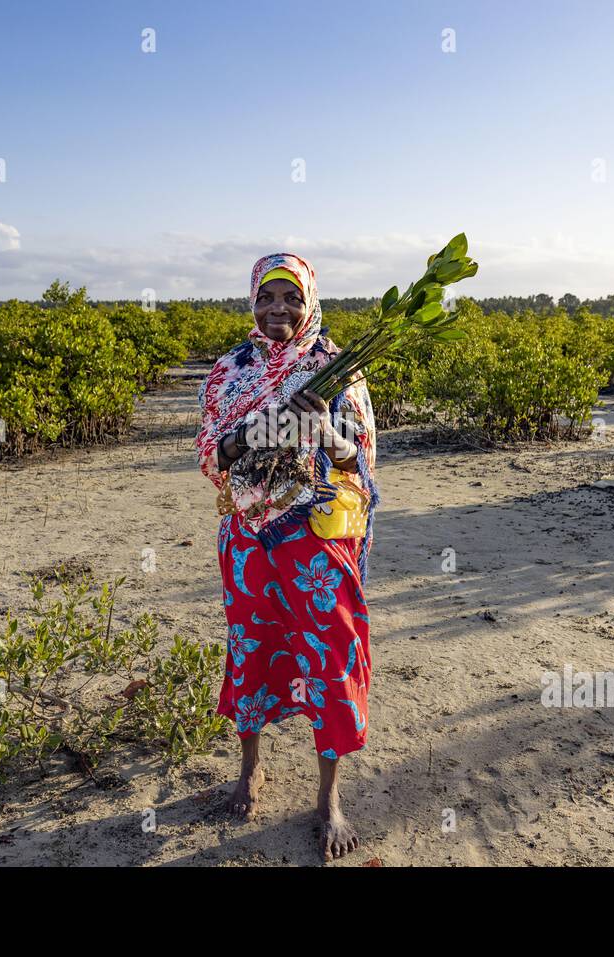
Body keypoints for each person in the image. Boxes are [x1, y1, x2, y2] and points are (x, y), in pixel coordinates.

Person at [195, 252, 378, 861]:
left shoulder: (338, 370)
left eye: (291, 298)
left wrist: (325, 432)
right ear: (252, 301)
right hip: (248, 535)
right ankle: (250, 769)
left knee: (329, 652)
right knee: (252, 644)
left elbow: (362, 466)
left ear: (310, 302)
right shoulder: (230, 370)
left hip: (317, 536)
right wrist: (263, 426)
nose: (279, 309)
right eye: (267, 297)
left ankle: (328, 798)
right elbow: (209, 456)